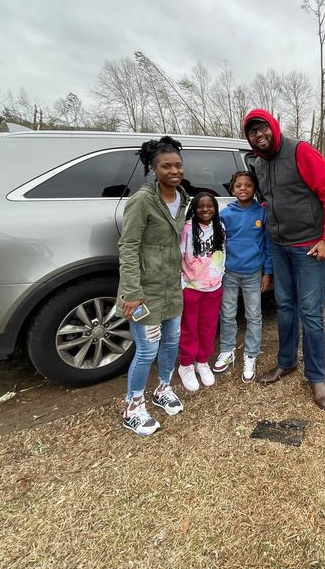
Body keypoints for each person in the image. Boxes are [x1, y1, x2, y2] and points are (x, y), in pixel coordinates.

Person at [242, 109, 325, 410]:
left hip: (308, 246)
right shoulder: (259, 163)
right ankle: (286, 363)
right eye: (252, 132)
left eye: (263, 129)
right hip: (278, 244)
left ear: (273, 127)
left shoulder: (300, 151)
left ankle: (317, 377)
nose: (259, 135)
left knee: (310, 313)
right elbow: (270, 197)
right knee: (284, 306)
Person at [117, 136, 190, 437]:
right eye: (165, 166)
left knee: (171, 342)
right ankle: (133, 407)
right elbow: (128, 247)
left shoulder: (182, 198)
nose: (174, 171)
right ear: (153, 168)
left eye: (177, 165)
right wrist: (132, 292)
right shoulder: (143, 200)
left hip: (171, 288)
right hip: (144, 291)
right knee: (147, 350)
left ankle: (162, 389)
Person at [213, 171, 273, 383]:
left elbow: (267, 245)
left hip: (253, 273)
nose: (243, 189)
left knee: (253, 315)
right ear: (232, 189)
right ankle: (228, 349)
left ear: (254, 189)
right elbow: (217, 245)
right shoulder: (224, 215)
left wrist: (267, 272)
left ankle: (251, 353)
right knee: (227, 312)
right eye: (238, 185)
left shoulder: (261, 214)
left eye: (248, 185)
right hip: (229, 272)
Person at [176, 191, 226, 393]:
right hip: (191, 287)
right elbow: (179, 255)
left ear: (215, 207)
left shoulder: (220, 226)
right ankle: (186, 364)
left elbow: (222, 252)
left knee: (208, 326)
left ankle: (202, 361)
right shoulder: (187, 229)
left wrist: (220, 275)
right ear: (194, 209)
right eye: (200, 206)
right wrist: (181, 282)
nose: (205, 210)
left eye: (209, 206)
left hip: (213, 287)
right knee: (189, 327)